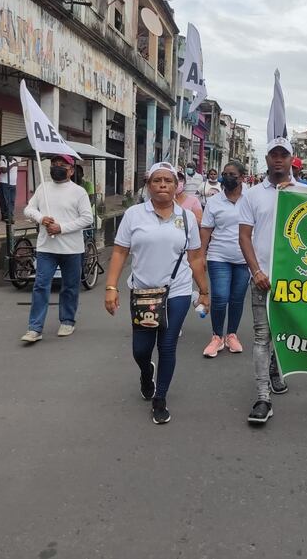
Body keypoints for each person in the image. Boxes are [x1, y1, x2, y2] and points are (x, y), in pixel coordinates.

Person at [104, 161, 209, 424]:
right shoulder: (134, 215)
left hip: (177, 292)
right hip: (143, 293)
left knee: (167, 345)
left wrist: (204, 291)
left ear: (176, 186)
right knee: (141, 348)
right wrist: (111, 287)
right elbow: (119, 252)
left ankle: (160, 398)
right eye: (157, 181)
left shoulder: (186, 218)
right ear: (148, 185)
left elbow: (195, 257)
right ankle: (144, 372)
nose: (163, 185)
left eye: (168, 181)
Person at [239, 136, 295, 424]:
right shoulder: (252, 195)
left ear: (291, 160)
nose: (278, 159)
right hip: (263, 279)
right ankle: (263, 397)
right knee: (262, 336)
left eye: (283, 155)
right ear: (266, 159)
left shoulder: (305, 193)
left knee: (285, 333)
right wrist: (256, 271)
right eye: (273, 154)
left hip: (296, 282)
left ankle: (276, 367)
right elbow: (245, 236)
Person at [21, 155, 93, 343]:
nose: (57, 167)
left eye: (62, 165)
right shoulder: (43, 188)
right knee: (40, 286)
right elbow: (28, 209)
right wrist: (41, 218)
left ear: (71, 170)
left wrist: (61, 228)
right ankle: (34, 328)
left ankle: (67, 320)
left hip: (72, 249)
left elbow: (87, 218)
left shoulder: (79, 192)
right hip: (46, 248)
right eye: (54, 165)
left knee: (69, 287)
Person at [200, 160, 249, 358]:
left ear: (242, 178)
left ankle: (231, 335)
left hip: (245, 259)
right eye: (225, 174)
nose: (227, 178)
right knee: (220, 297)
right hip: (218, 255)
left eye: (232, 175)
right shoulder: (214, 202)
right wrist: (201, 255)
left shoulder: (251, 199)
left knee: (237, 299)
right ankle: (216, 337)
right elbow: (206, 229)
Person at [0, 155, 19, 224]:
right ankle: (6, 217)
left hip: (13, 184)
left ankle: (10, 216)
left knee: (12, 201)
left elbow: (25, 158)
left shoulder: (15, 160)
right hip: (4, 183)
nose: (11, 156)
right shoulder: (3, 161)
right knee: (5, 200)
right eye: (9, 155)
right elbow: (4, 171)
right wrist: (12, 165)